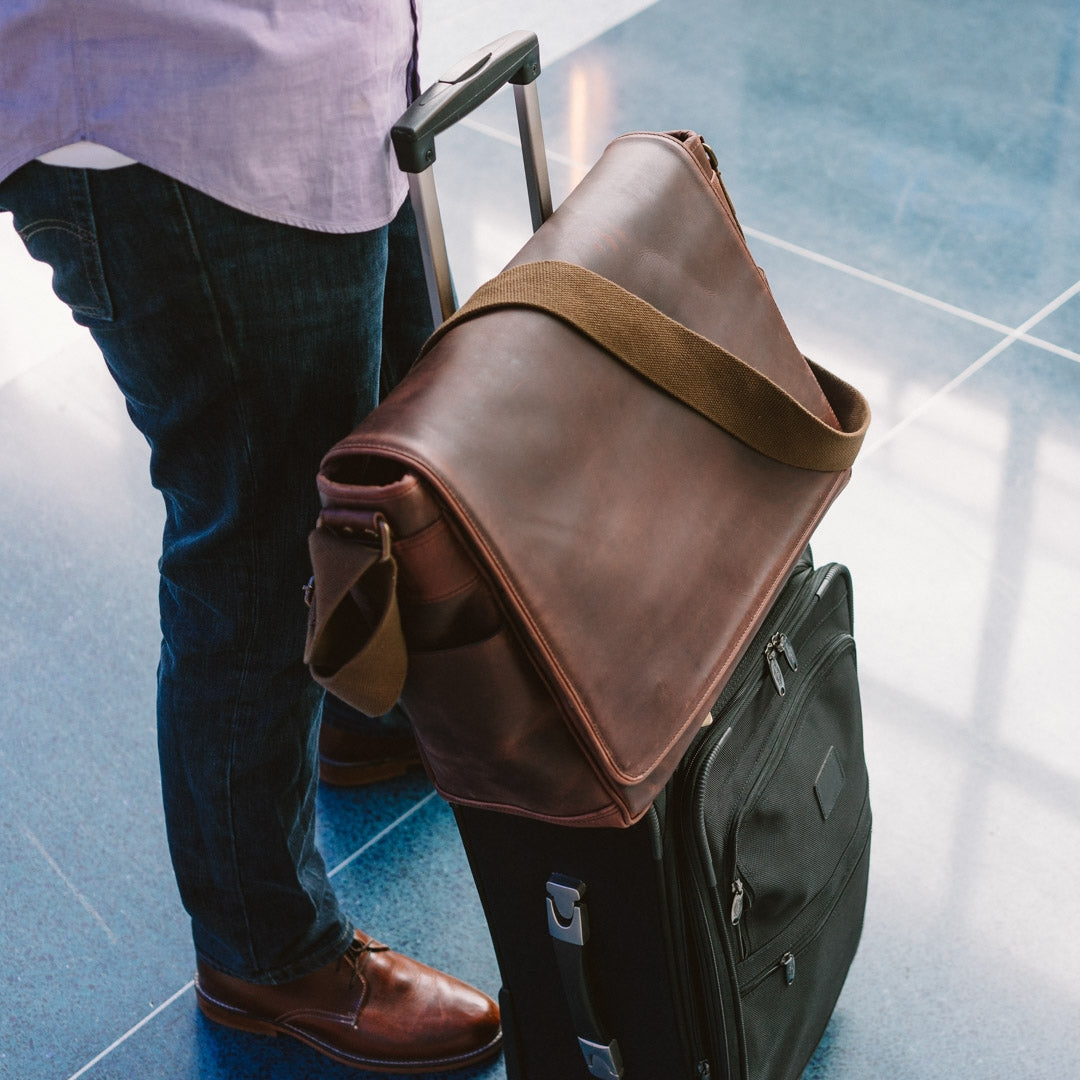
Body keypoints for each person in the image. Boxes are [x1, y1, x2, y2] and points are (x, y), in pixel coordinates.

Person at [0, 2, 501, 1074]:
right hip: (181, 121)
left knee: (374, 461)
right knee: (261, 548)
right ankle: (264, 950)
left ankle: (355, 720)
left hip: (313, 76)